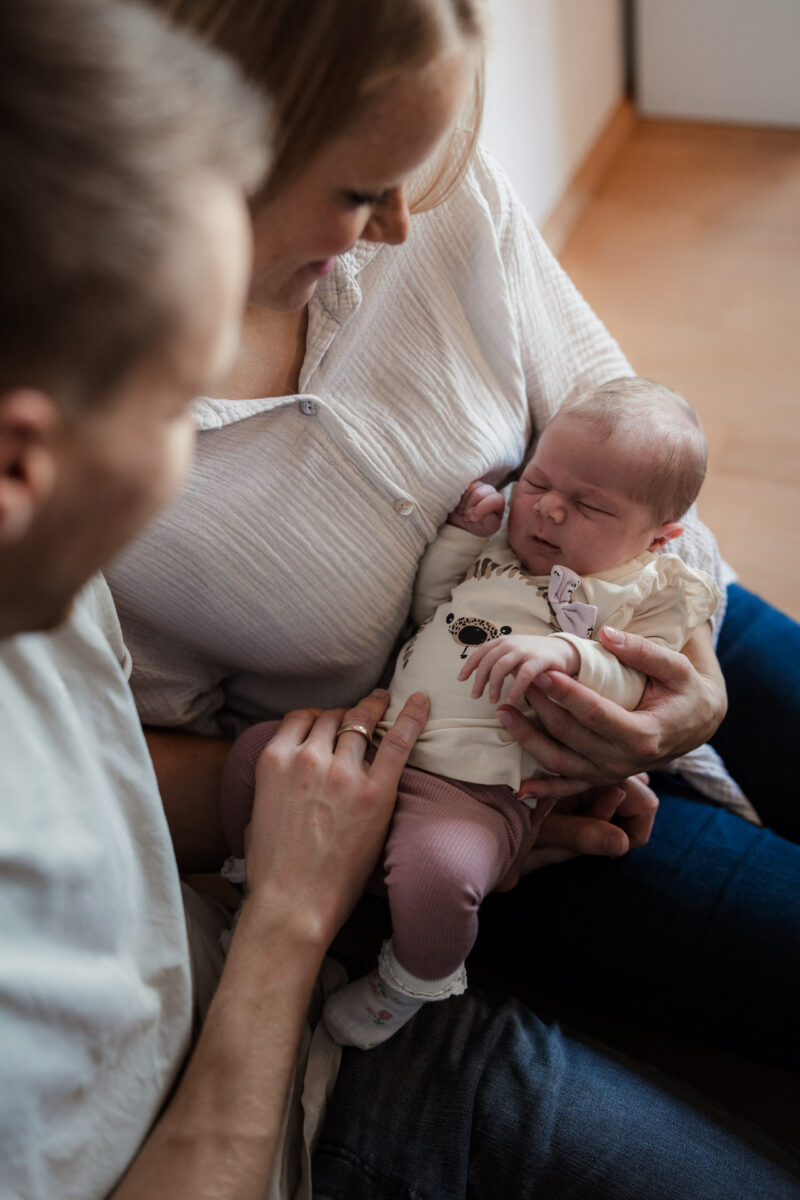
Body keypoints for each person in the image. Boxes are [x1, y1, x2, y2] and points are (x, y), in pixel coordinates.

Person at [4, 2, 799, 1198]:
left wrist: (681, 663)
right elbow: (156, 771)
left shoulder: (417, 182)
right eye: (356, 187)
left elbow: (632, 434)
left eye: (417, 169)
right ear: (210, 157)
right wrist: (396, 832)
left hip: (645, 623)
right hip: (455, 793)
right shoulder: (88, 419)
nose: (399, 222)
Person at [220, 377, 757, 1049]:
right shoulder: (503, 550)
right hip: (380, 734)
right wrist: (459, 536)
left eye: (588, 505)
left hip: (476, 786)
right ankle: (247, 879)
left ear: (660, 536)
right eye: (536, 484)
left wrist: (566, 653)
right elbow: (432, 608)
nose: (549, 512)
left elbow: (638, 683)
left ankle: (409, 981)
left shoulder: (650, 590)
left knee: (441, 874)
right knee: (255, 755)